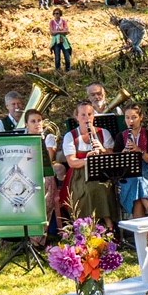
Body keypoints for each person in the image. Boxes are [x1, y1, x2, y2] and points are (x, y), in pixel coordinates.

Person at [62, 99, 119, 229]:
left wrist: (103, 150)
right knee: (89, 190)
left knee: (104, 187)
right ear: (76, 117)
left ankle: (108, 224)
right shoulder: (70, 136)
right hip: (79, 175)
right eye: (83, 115)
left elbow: (113, 156)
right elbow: (72, 162)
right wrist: (88, 160)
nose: (87, 118)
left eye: (89, 114)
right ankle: (90, 226)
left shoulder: (103, 133)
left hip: (102, 172)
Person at [116, 101, 148, 223]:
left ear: (141, 117)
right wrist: (123, 154)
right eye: (127, 118)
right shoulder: (120, 136)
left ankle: (143, 232)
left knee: (138, 185)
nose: (130, 121)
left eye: (134, 117)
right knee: (137, 184)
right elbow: (116, 164)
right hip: (128, 174)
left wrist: (139, 151)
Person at [22, 108, 61, 244]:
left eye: (39, 120)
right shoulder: (20, 139)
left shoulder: (48, 138)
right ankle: (19, 234)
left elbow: (48, 159)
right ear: (26, 124)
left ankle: (37, 239)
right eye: (33, 121)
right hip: (24, 175)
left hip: (43, 174)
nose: (37, 123)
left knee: (43, 188)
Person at [49, 8, 72, 72]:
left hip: (63, 41)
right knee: (57, 58)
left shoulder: (63, 21)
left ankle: (68, 70)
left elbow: (66, 31)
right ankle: (58, 71)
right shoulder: (52, 22)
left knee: (67, 57)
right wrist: (61, 31)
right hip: (56, 41)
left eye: (57, 13)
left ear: (60, 14)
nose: (56, 15)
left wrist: (57, 31)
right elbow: (52, 32)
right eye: (54, 13)